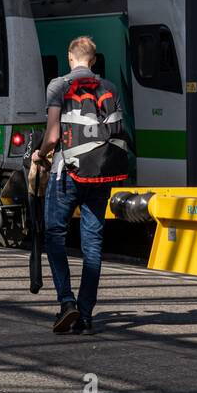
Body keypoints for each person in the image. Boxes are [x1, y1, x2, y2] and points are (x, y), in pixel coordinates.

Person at [33, 35, 130, 336]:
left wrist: (39, 154)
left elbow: (51, 136)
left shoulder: (59, 85)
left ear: (70, 57)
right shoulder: (110, 87)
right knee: (93, 243)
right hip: (102, 174)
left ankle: (66, 302)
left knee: (54, 235)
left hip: (68, 173)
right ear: (94, 59)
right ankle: (85, 315)